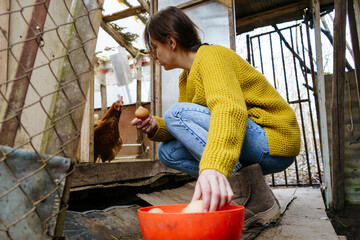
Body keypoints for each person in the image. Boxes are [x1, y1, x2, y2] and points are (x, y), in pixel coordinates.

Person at [131, 6, 300, 228]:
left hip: (273, 138)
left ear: (171, 42)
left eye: (155, 47)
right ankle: (257, 198)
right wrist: (155, 127)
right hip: (251, 142)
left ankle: (245, 195)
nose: (154, 56)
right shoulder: (187, 77)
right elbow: (193, 126)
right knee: (167, 152)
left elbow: (229, 109)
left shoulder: (211, 56)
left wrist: (215, 166)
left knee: (176, 113)